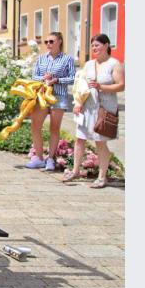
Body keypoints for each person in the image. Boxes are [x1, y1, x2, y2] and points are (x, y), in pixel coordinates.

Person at [62, 34, 125, 188]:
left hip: (104, 109)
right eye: (92, 46)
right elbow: (80, 85)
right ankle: (76, 171)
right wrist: (78, 103)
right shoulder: (89, 64)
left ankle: (102, 177)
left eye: (97, 45)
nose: (94, 48)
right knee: (80, 138)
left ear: (106, 45)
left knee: (100, 141)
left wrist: (101, 87)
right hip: (87, 107)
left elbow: (121, 85)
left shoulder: (114, 64)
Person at [27, 32, 76, 171]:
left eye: (51, 41)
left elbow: (73, 78)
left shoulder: (67, 59)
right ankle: (39, 158)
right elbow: (34, 76)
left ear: (59, 41)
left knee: (54, 128)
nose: (48, 44)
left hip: (58, 96)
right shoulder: (41, 58)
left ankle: (51, 159)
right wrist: (43, 78)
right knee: (35, 126)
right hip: (42, 95)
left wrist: (56, 79)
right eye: (46, 41)